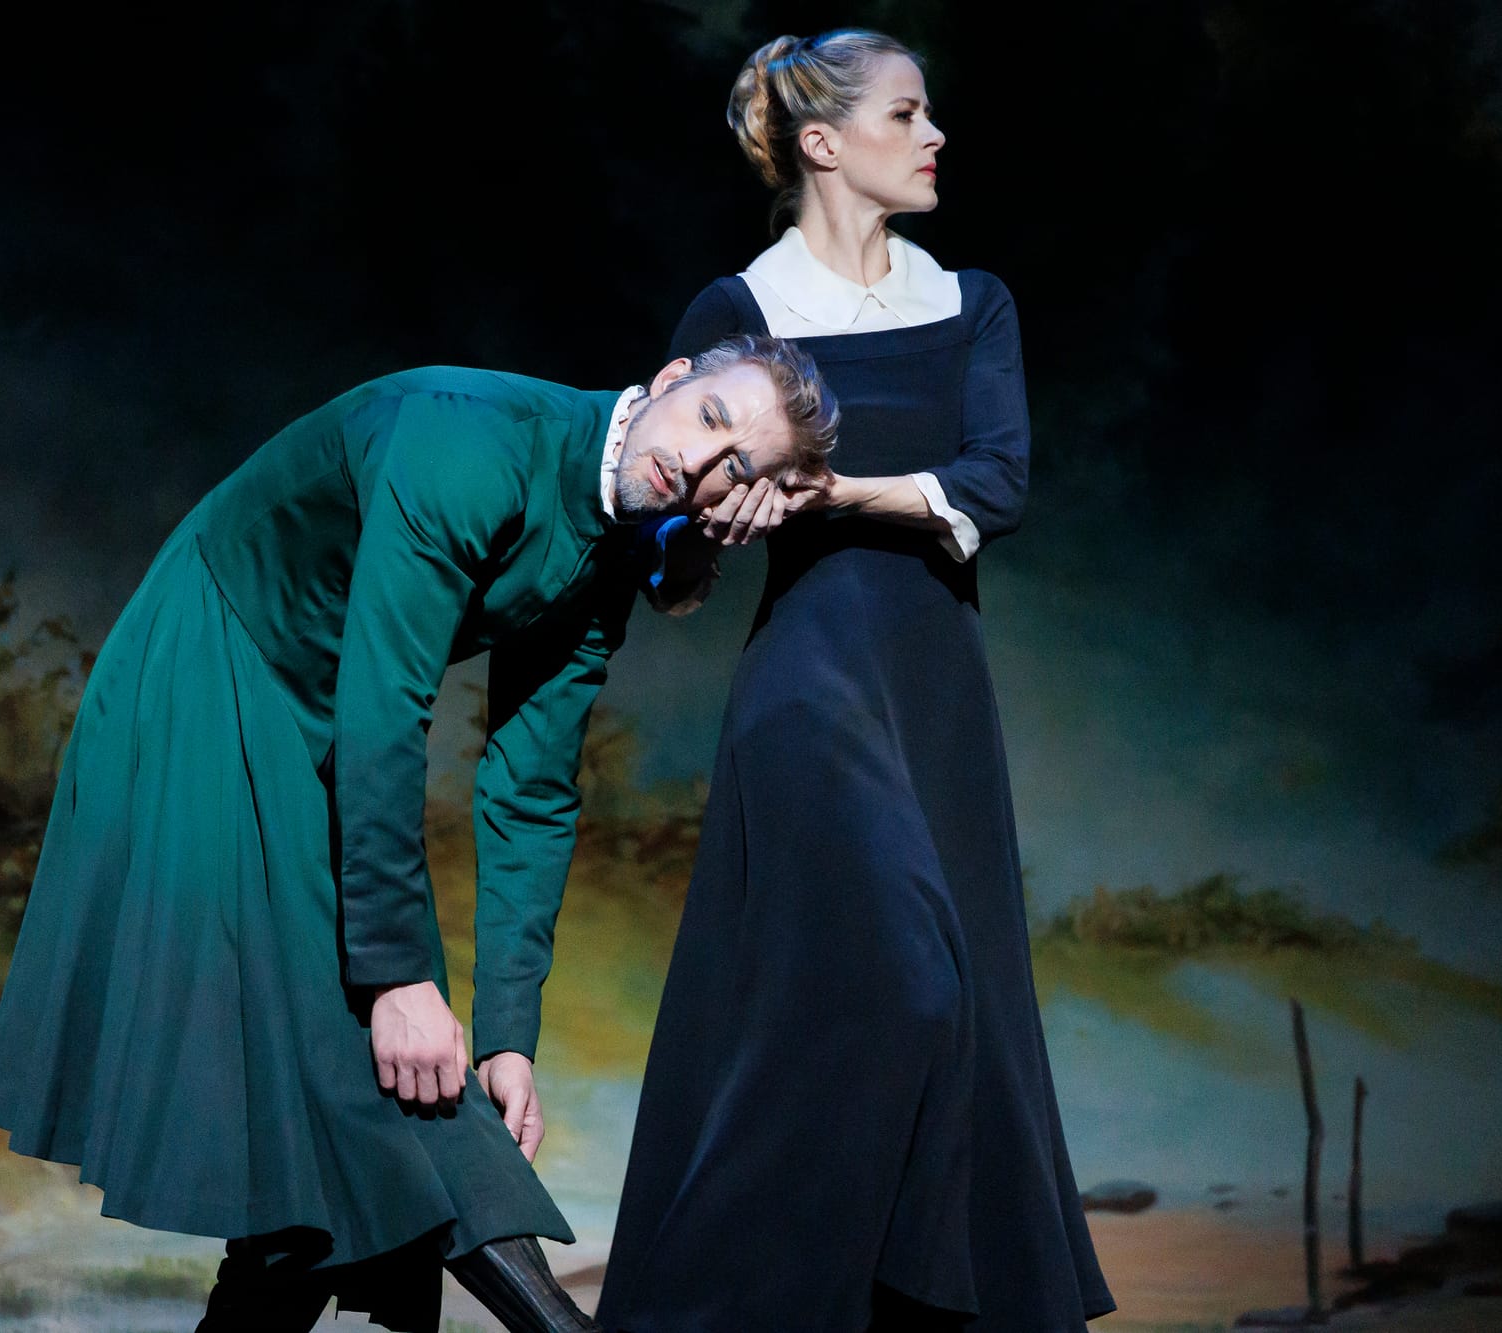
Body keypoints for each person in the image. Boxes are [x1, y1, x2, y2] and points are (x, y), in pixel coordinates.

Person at [0, 342, 836, 1333]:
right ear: (672, 379)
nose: (700, 460)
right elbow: (386, 706)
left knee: (362, 1114)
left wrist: (507, 1034)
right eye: (711, 417)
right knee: (362, 1072)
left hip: (324, 719)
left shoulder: (608, 554)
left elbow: (531, 789)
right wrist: (394, 976)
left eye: (737, 465)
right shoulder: (470, 448)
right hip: (212, 670)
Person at [597, 30, 1115, 1332]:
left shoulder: (970, 303)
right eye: (906, 113)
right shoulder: (738, 310)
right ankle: (725, 1301)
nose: (933, 136)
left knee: (958, 1001)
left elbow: (998, 482)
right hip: (811, 680)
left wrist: (832, 490)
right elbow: (658, 555)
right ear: (823, 143)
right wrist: (702, 532)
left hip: (937, 689)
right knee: (888, 983)